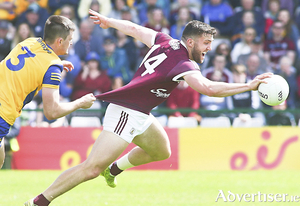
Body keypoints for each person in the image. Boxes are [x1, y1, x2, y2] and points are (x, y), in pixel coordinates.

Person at [24, 9, 272, 206]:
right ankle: (39, 201)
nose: (209, 48)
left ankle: (114, 169)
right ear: (189, 41)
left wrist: (109, 20)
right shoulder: (185, 64)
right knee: (91, 168)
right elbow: (208, 89)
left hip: (140, 112)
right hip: (125, 110)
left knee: (161, 151)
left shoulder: (164, 41)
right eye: (206, 43)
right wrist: (249, 86)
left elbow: (134, 29)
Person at [0, 15, 96, 169]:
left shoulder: (30, 41)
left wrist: (54, 64)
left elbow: (30, 62)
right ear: (59, 41)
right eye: (70, 39)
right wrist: (80, 103)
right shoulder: (52, 67)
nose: (71, 42)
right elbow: (51, 112)